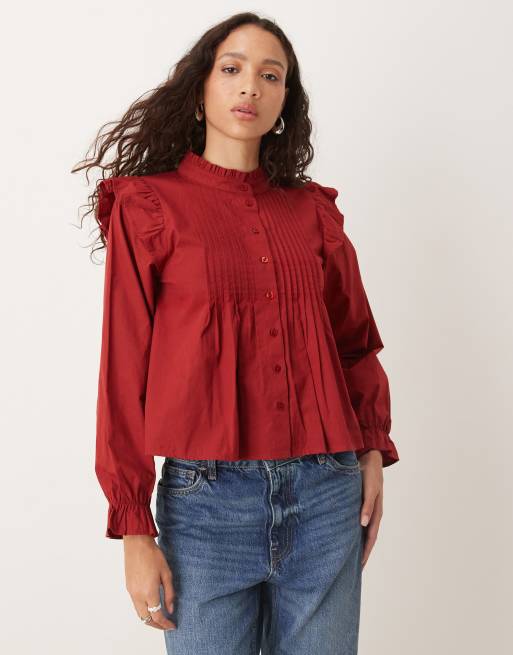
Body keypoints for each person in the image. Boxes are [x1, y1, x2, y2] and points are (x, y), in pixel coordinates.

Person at [73, 11, 399, 655]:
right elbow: (123, 372)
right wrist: (134, 527)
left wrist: (370, 450)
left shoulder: (312, 212)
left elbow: (355, 342)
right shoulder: (149, 207)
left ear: (284, 103)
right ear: (201, 90)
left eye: (270, 75)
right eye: (232, 69)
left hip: (327, 493)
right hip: (205, 506)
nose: (250, 85)